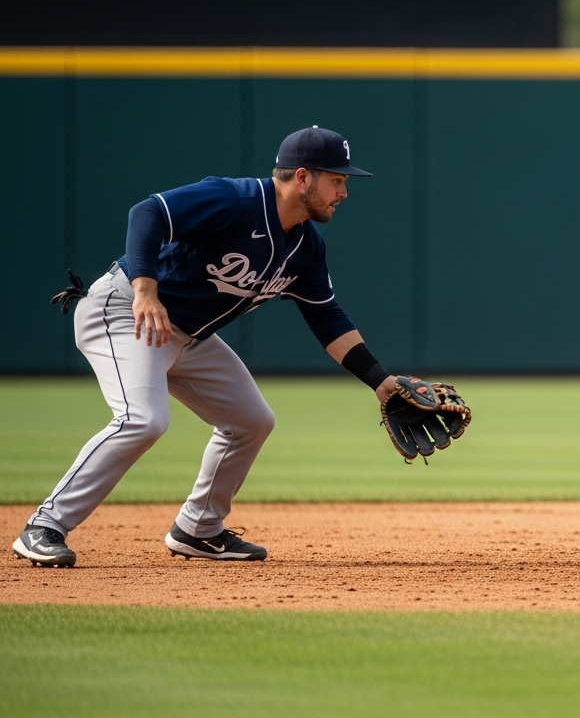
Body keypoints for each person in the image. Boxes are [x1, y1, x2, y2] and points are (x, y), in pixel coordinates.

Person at [13, 127, 406, 567]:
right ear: (302, 176)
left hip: (187, 336)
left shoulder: (305, 247)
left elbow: (328, 318)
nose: (344, 192)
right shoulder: (235, 201)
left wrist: (381, 382)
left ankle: (198, 529)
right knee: (143, 420)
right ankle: (45, 525)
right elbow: (148, 213)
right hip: (126, 310)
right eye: (337, 180)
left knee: (252, 421)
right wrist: (146, 290)